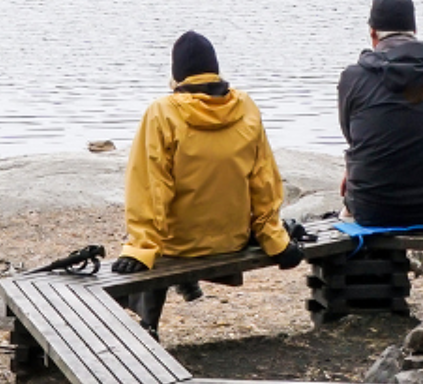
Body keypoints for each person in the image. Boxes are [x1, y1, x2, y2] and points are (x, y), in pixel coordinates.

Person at [109, 31, 303, 331]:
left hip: (181, 245)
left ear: (177, 75)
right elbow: (264, 182)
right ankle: (185, 284)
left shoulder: (162, 113)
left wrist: (140, 248)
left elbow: (149, 188)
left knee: (152, 243)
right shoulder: (246, 107)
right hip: (232, 238)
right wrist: (275, 240)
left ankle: (148, 324)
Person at [338, 0, 423, 228]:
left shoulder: (354, 77)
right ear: (414, 31)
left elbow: (352, 135)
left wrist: (352, 172)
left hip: (372, 207)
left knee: (347, 214)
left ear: (373, 34)